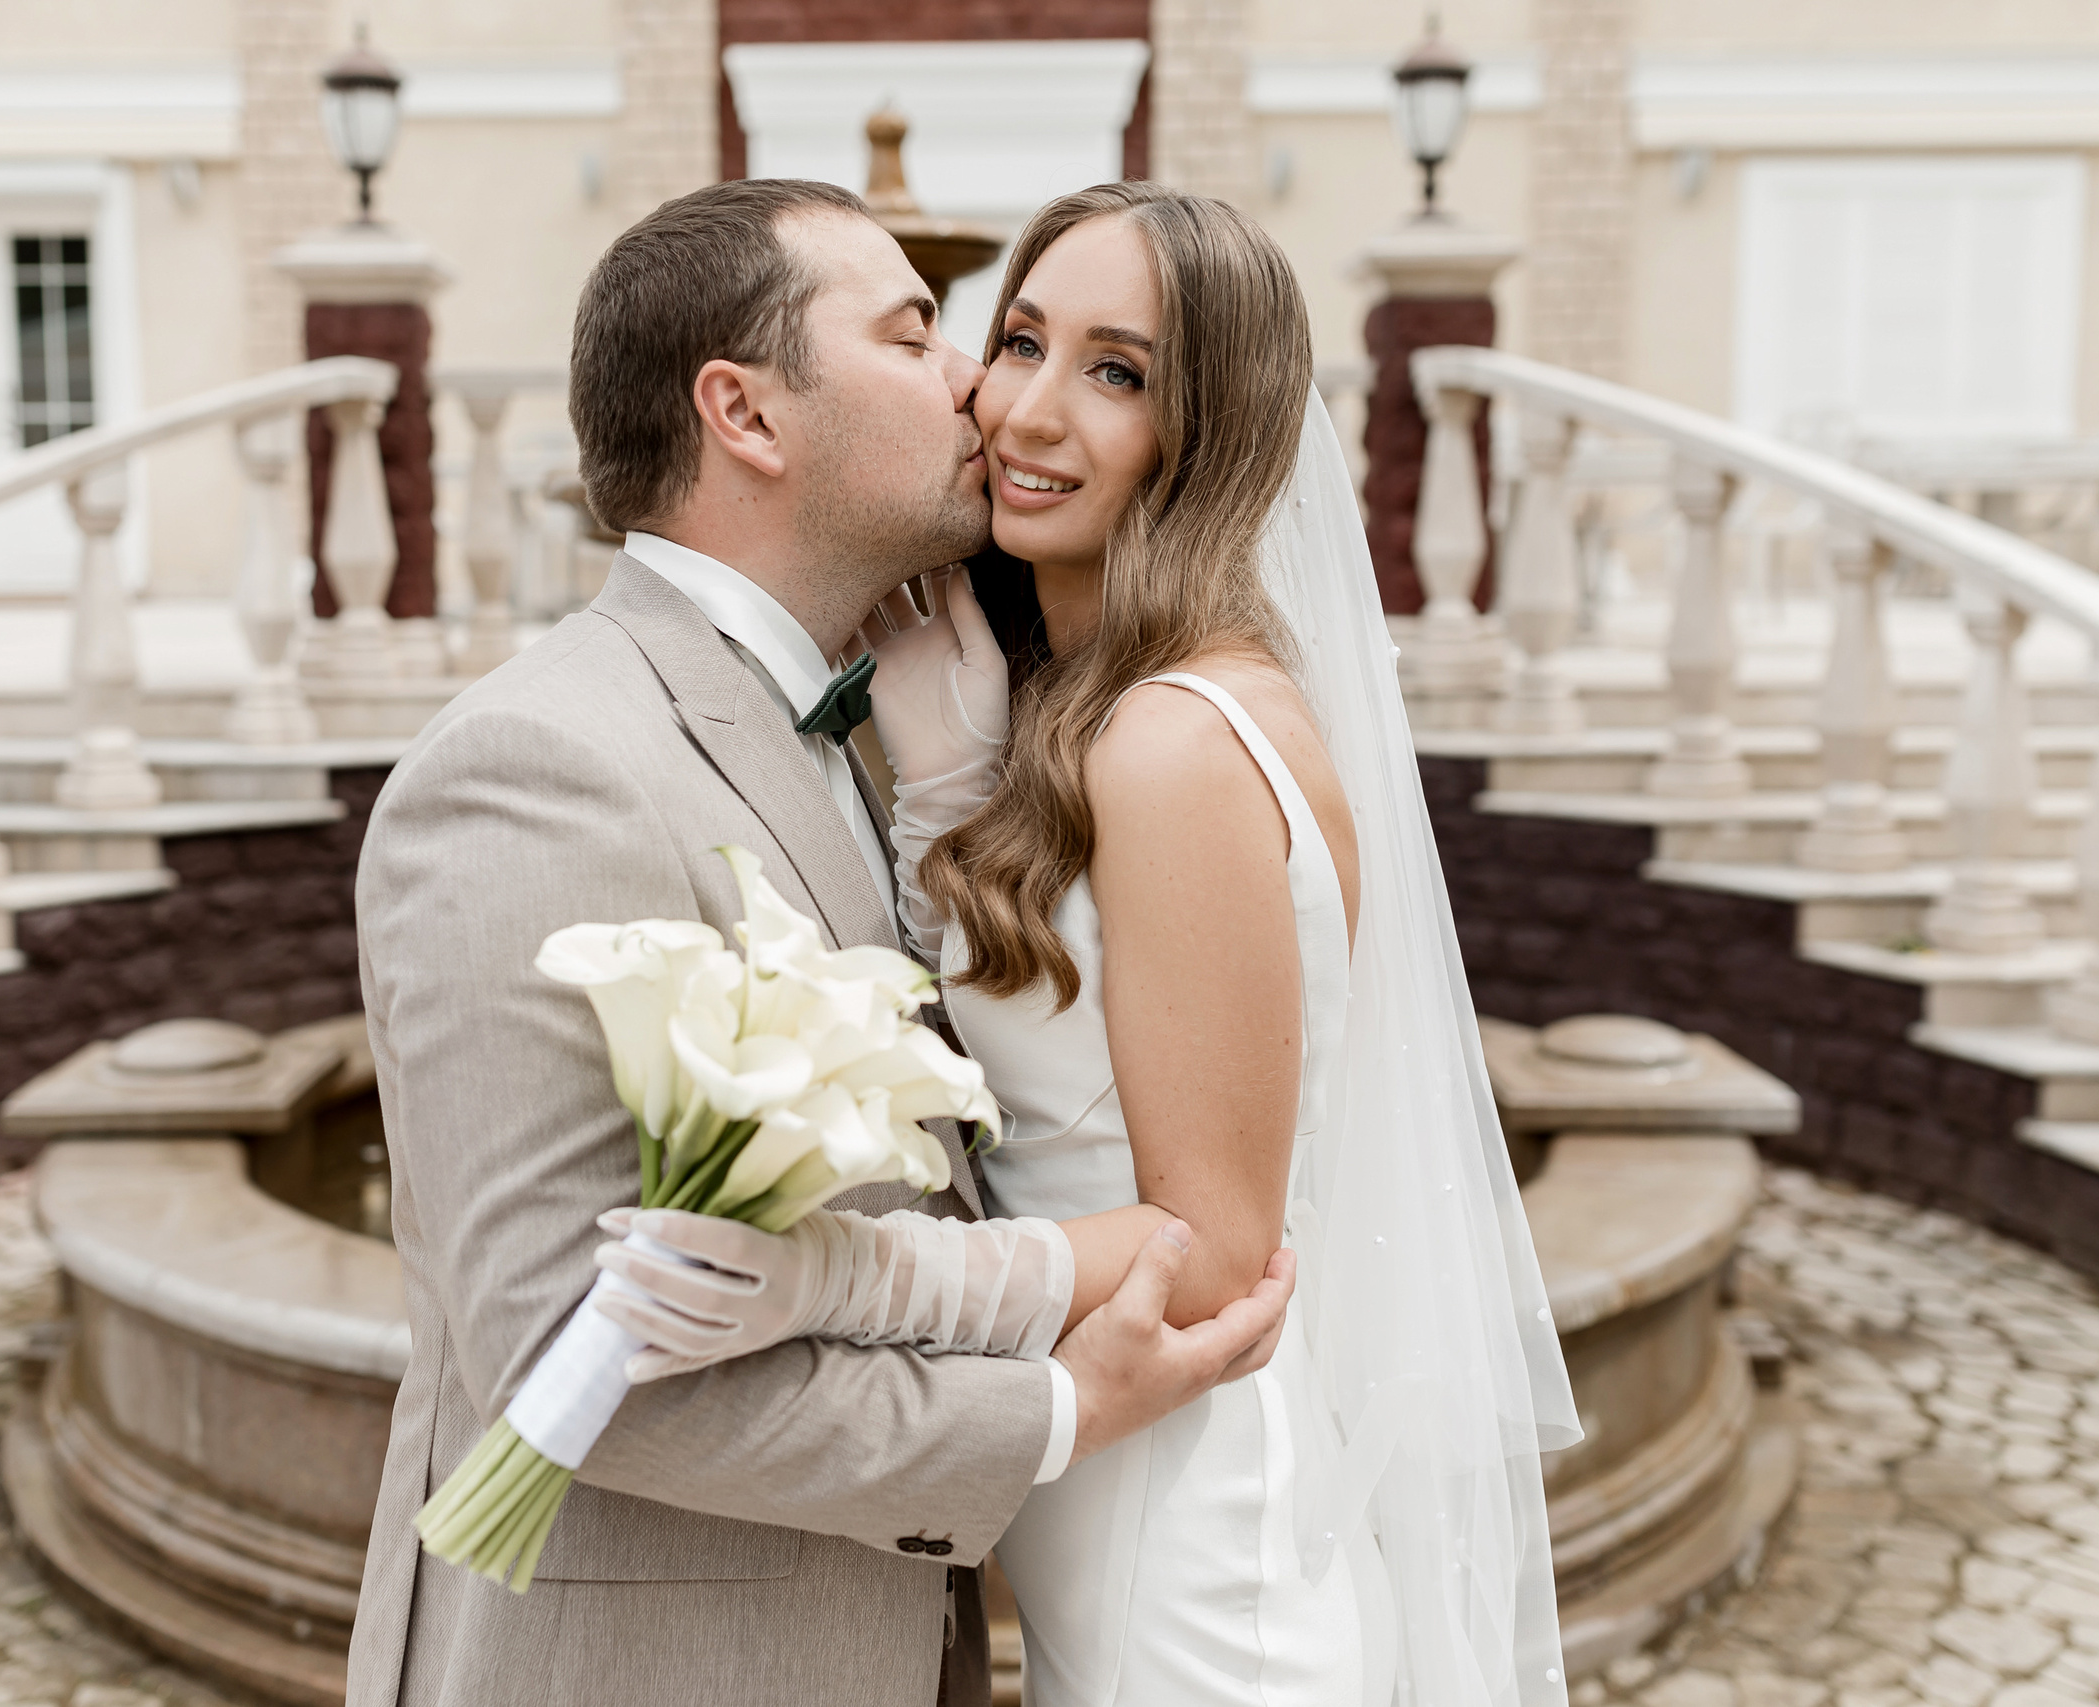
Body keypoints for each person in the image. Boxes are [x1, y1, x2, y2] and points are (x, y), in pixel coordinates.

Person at [600, 183, 1582, 1706]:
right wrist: (950, 779)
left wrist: (827, 1284)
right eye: (1021, 341)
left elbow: (1217, 1254)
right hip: (1109, 1524)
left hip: (1191, 1557)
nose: (1031, 413)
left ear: (1209, 437)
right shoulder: (1092, 711)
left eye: (1118, 374)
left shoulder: (1174, 743)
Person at [344, 177, 1298, 1707]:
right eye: (921, 334)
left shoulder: (890, 721)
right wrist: (1050, 1415)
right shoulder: (539, 767)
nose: (979, 387)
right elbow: (558, 1363)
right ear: (748, 415)